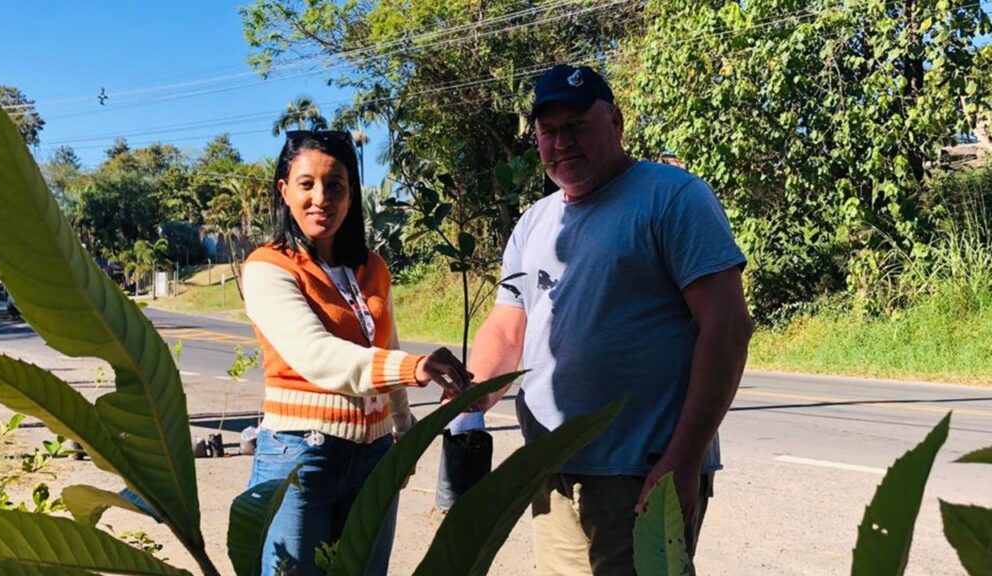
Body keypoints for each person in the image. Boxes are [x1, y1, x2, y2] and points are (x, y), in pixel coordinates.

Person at [469, 64, 754, 575]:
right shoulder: (534, 222)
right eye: (549, 131)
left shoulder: (672, 197)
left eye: (577, 125)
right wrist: (466, 400)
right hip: (551, 471)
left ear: (617, 122)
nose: (563, 141)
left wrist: (682, 460)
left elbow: (727, 329)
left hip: (642, 474)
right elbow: (507, 328)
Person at [242, 129, 471, 576]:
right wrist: (416, 368)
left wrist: (402, 432)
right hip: (299, 459)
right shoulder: (269, 267)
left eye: (336, 185)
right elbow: (318, 355)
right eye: (306, 184)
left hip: (373, 458)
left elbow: (386, 347)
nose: (320, 197)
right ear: (284, 191)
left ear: (351, 195)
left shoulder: (371, 266)